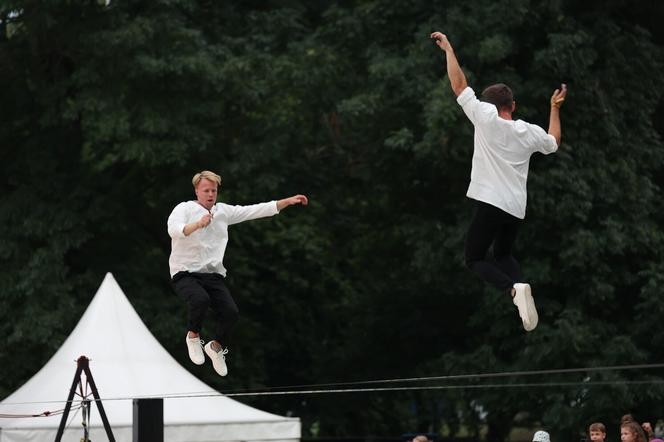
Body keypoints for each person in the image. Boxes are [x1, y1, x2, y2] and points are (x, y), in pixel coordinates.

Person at [430, 31, 567, 331]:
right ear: (513, 106)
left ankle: (513, 290)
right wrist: (554, 108)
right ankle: (520, 287)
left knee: (474, 258)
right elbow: (554, 141)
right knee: (503, 253)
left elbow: (459, 85)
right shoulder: (528, 131)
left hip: (491, 202)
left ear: (490, 105)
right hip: (515, 208)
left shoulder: (484, 117)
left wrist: (449, 50)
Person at [168, 170, 308, 376]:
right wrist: (198, 224)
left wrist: (285, 201)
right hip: (185, 272)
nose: (210, 194)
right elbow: (174, 230)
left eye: (213, 190)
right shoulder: (184, 208)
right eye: (206, 190)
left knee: (231, 312)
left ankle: (215, 347)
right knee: (200, 300)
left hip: (213, 275)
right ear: (197, 191)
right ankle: (193, 336)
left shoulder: (222, 212)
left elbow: (254, 210)